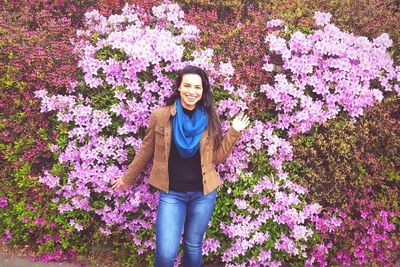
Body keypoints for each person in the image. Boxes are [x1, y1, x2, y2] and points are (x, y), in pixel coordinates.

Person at [112, 65, 250, 267]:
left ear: (203, 90)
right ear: (178, 87)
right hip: (172, 194)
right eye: (187, 85)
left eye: (197, 87)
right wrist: (127, 178)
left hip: (203, 194)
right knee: (166, 254)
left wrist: (234, 132)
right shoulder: (161, 116)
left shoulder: (210, 117)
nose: (192, 91)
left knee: (193, 245)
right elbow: (145, 151)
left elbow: (216, 158)